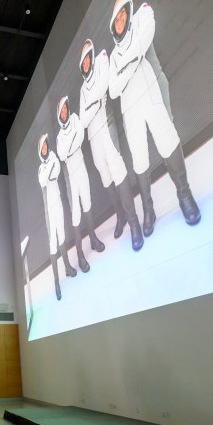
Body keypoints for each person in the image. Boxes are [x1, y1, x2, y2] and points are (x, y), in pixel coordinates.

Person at [108, 0, 200, 234]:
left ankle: (184, 193)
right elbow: (114, 90)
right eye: (116, 17)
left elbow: (144, 39)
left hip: (152, 95)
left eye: (123, 14)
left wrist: (124, 69)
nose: (120, 20)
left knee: (167, 140)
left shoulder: (142, 15)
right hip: (130, 110)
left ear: (129, 11)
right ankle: (148, 208)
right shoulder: (112, 57)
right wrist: (132, 59)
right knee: (139, 159)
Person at [78, 38, 143, 251]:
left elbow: (104, 85)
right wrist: (92, 103)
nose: (87, 64)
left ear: (92, 55)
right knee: (106, 178)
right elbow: (83, 118)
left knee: (118, 170)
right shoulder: (81, 89)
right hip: (93, 139)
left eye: (88, 58)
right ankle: (121, 215)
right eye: (84, 62)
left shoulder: (102, 59)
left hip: (107, 128)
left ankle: (134, 222)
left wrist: (93, 102)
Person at [56, 95, 105, 272]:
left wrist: (70, 147)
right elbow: (62, 155)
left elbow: (80, 136)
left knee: (88, 204)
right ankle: (80, 255)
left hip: (82, 170)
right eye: (61, 110)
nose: (64, 112)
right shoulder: (59, 136)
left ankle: (93, 238)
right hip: (71, 179)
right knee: (76, 215)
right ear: (58, 114)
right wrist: (71, 144)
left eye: (65, 108)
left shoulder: (75, 118)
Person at [37, 133, 77, 300]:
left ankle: (67, 266)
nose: (45, 147)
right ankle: (56, 282)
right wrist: (49, 170)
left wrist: (51, 170)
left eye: (46, 144)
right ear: (40, 150)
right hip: (49, 211)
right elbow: (43, 180)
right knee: (52, 243)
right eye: (43, 146)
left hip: (58, 203)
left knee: (62, 235)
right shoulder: (40, 168)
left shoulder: (53, 157)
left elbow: (56, 172)